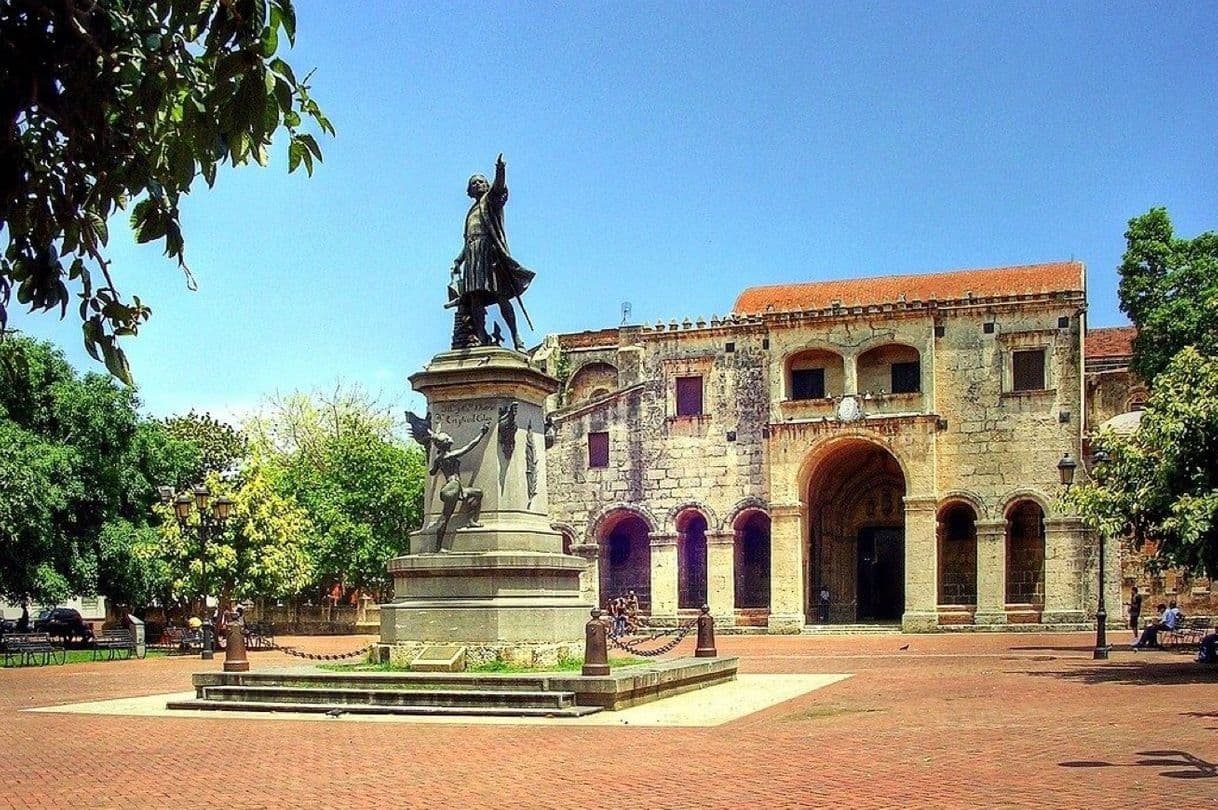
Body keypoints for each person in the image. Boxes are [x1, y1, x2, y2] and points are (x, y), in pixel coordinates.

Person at [448, 153, 535, 351]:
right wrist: (458, 260)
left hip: (490, 254)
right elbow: (468, 240)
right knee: (475, 298)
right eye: (474, 183)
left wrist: (500, 170)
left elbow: (499, 188)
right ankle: (481, 336)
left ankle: (516, 338)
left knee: (501, 295)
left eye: (481, 181)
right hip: (473, 256)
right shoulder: (470, 213)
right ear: (469, 190)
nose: (478, 184)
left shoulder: (491, 202)